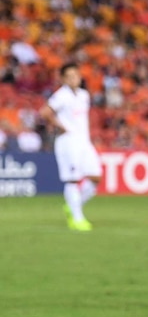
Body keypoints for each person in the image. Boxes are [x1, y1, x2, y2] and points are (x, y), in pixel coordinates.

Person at [39, 62, 102, 231]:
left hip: (84, 141)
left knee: (96, 177)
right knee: (73, 179)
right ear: (63, 79)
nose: (74, 79)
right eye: (70, 76)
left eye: (76, 75)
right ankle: (77, 219)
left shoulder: (84, 95)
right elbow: (44, 112)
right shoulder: (61, 95)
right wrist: (61, 126)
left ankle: (74, 205)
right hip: (68, 142)